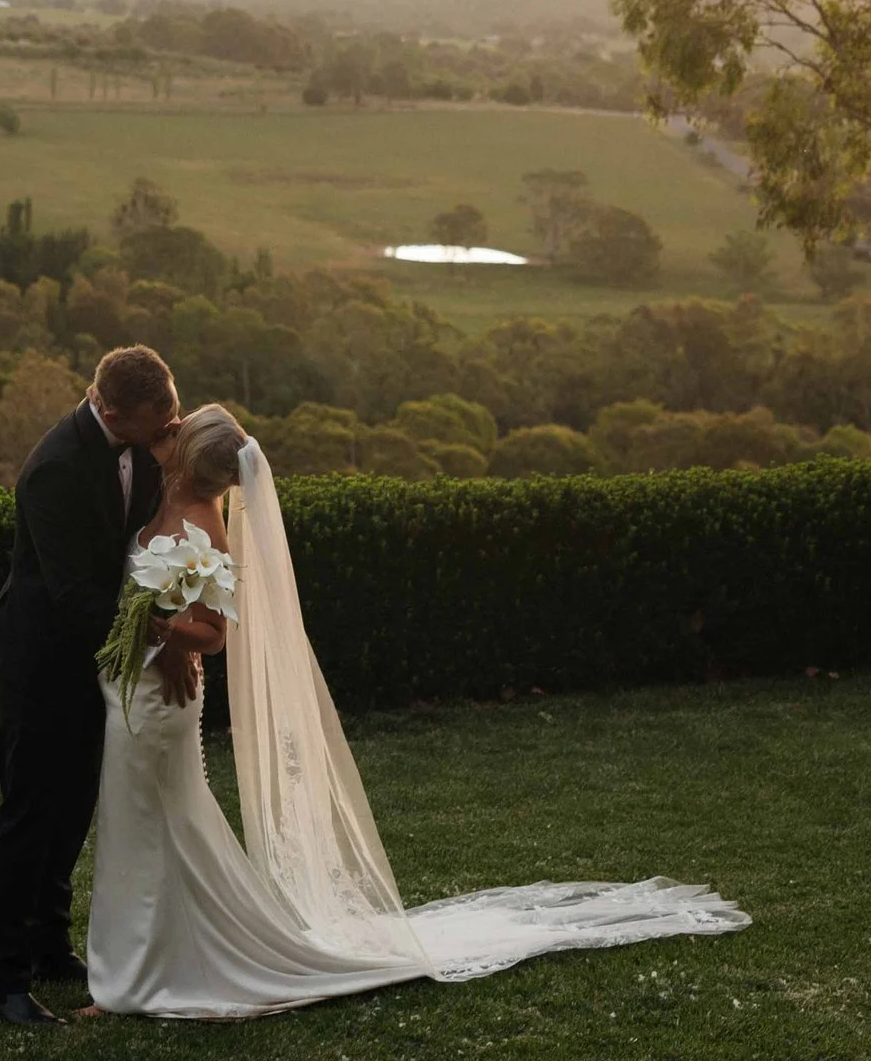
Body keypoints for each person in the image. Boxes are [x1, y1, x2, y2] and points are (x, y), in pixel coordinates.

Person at [81, 404, 750, 1021]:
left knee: (158, 822)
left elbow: (215, 635)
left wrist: (161, 631)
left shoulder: (204, 527)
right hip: (130, 691)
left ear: (190, 457)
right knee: (139, 823)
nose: (166, 433)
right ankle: (151, 958)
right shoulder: (164, 490)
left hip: (163, 701)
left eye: (178, 429)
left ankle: (150, 970)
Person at [0, 345, 190, 1026]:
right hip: (38, 658)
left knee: (73, 803)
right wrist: (160, 642)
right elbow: (70, 592)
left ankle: (47, 944)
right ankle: (0, 980)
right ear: (110, 411)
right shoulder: (55, 469)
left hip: (96, 657)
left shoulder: (141, 448)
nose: (168, 430)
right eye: (158, 422)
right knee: (31, 810)